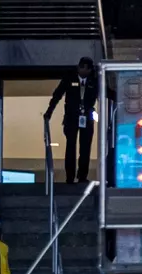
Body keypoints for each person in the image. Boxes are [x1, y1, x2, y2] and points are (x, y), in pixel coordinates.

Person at [47, 57, 96, 185]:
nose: (82, 71)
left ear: (89, 70)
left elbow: (106, 92)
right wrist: (49, 112)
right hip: (71, 117)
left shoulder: (94, 81)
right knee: (71, 147)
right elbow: (57, 95)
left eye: (85, 69)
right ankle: (70, 177)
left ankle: (82, 176)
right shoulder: (70, 78)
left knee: (85, 148)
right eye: (80, 68)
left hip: (87, 117)